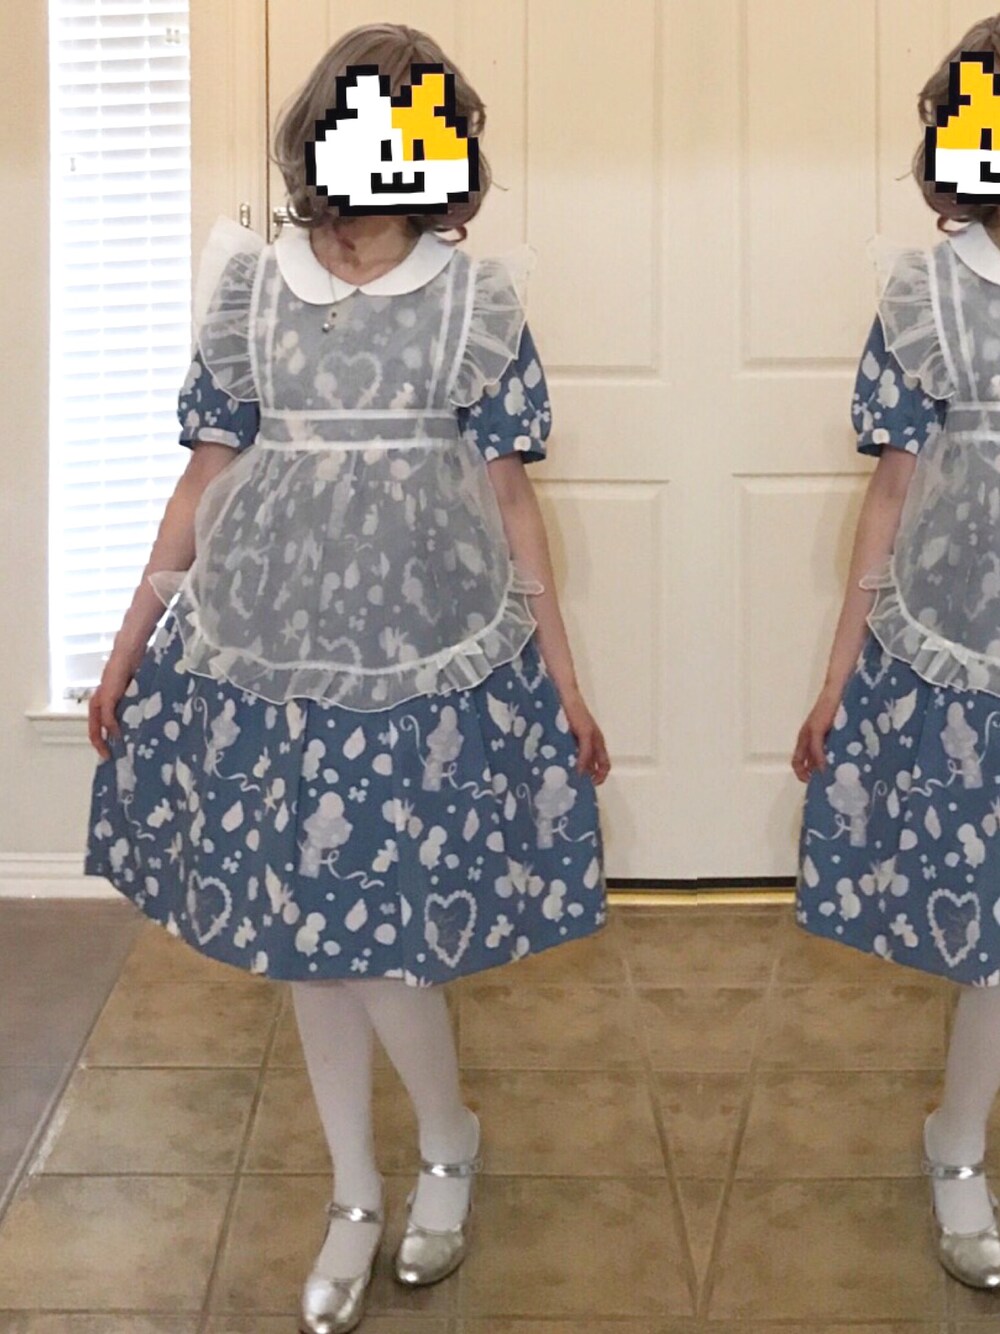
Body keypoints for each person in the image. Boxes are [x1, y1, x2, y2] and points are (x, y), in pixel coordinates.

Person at [84, 22, 609, 1334]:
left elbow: (510, 500)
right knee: (307, 945)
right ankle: (356, 1191)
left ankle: (447, 1140)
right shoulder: (249, 292)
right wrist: (128, 641)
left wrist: (561, 674)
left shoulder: (475, 302)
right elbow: (203, 480)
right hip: (266, 661)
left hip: (422, 666)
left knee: (389, 940)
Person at [794, 13, 1000, 1295]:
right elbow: (891, 492)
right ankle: (958, 1140)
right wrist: (839, 671)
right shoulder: (927, 296)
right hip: (967, 642)